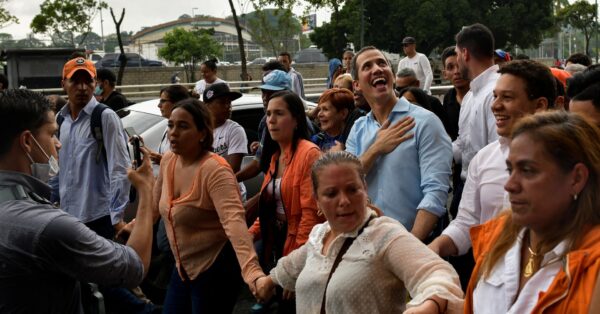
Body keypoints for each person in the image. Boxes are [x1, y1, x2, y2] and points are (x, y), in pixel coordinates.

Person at [0, 88, 155, 313]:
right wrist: (146, 190)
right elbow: (134, 266)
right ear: (27, 141)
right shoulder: (48, 226)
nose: (58, 144)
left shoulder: (103, 116)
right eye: (52, 134)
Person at [254, 151, 464, 313]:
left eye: (352, 190)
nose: (344, 201)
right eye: (331, 193)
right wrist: (267, 281)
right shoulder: (319, 235)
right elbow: (292, 266)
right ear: (316, 200)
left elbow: (437, 274)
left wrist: (430, 304)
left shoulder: (384, 234)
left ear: (365, 189)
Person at [429, 59, 555, 290]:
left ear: (539, 105)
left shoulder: (566, 164)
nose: (495, 105)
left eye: (506, 98)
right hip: (491, 285)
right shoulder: (484, 159)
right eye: (495, 96)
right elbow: (467, 222)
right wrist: (435, 247)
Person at [464, 111, 600, 313]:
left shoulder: (593, 264)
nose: (510, 185)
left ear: (576, 179)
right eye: (510, 170)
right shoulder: (496, 235)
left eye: (528, 170)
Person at [154, 98, 265, 313]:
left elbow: (234, 223)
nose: (173, 132)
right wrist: (132, 228)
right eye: (171, 125)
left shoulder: (215, 171)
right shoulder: (169, 160)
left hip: (216, 268)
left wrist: (251, 271)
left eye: (183, 126)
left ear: (202, 133)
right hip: (183, 267)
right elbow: (154, 203)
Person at [346, 46, 451, 241]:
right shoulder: (357, 129)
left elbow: (435, 193)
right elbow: (346, 183)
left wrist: (410, 247)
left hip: (416, 243)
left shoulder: (425, 122)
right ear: (357, 85)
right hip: (367, 243)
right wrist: (376, 148)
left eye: (382, 63)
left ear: (392, 75)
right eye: (367, 66)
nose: (377, 69)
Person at [248, 90, 324, 312]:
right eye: (269, 114)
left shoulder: (309, 153)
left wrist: (294, 270)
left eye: (279, 113)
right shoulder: (275, 157)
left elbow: (310, 216)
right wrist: (248, 235)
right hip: (278, 244)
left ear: (297, 119)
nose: (271, 120)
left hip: (299, 249)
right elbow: (269, 210)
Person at [57, 57, 131, 239]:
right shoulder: (60, 120)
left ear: (95, 83)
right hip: (66, 216)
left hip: (98, 217)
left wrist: (116, 217)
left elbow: (120, 169)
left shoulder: (105, 117)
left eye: (88, 81)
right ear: (63, 84)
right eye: (75, 81)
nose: (82, 88)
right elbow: (58, 169)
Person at [452, 23, 500, 210]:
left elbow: (499, 152)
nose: (457, 62)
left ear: (465, 54)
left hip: (488, 192)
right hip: (465, 188)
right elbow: (463, 144)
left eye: (456, 54)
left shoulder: (498, 92)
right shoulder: (470, 96)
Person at [203, 83, 249, 201]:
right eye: (222, 102)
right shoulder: (198, 130)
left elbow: (231, 169)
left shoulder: (234, 130)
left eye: (229, 102)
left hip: (230, 197)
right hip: (205, 196)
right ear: (207, 106)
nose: (228, 106)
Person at [145, 85, 191, 171]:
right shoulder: (167, 128)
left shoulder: (187, 133)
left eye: (163, 101)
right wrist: (142, 147)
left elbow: (187, 164)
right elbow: (161, 155)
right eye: (171, 125)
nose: (159, 105)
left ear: (177, 103)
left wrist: (163, 160)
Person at [395, 68, 450, 135]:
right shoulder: (396, 107)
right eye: (398, 89)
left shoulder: (433, 103)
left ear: (417, 84)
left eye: (406, 88)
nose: (402, 92)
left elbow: (445, 131)